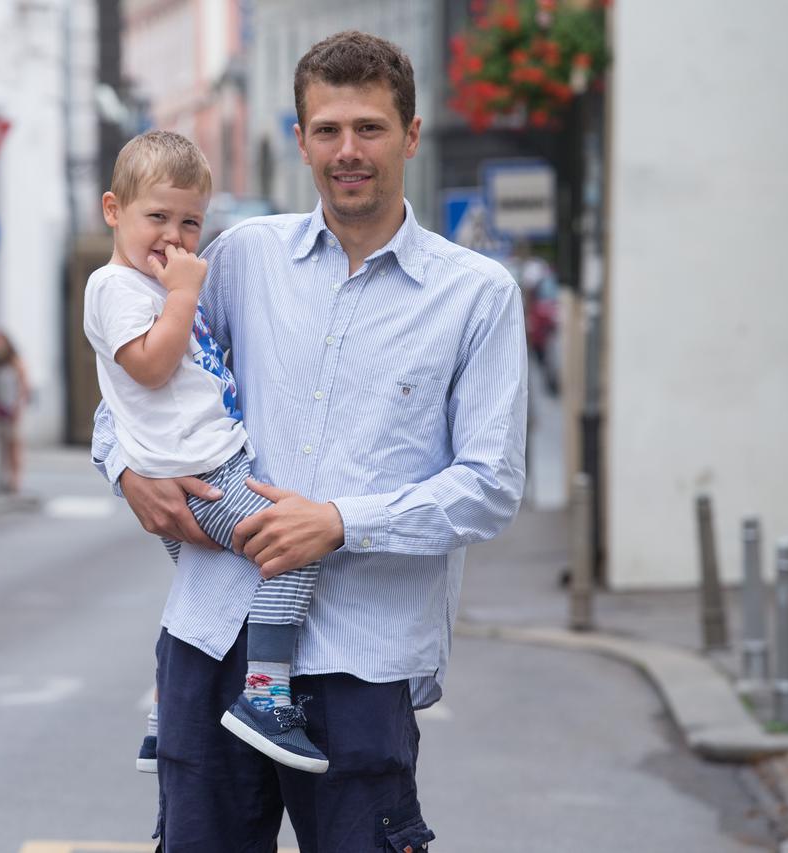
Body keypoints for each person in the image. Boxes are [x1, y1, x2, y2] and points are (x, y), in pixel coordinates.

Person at [91, 31, 527, 852]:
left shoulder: (476, 296)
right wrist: (124, 469)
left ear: (411, 134)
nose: (347, 150)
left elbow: (490, 484)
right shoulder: (240, 258)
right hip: (211, 638)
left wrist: (338, 521)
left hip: (359, 658)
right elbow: (138, 377)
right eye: (327, 129)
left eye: (369, 128)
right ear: (300, 140)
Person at [83, 130, 330, 776]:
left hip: (204, 459)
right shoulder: (117, 288)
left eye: (190, 222)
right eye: (157, 217)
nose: (174, 236)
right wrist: (184, 294)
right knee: (293, 548)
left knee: (202, 590)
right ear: (113, 210)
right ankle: (265, 696)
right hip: (205, 470)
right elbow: (150, 367)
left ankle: (164, 716)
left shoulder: (150, 285)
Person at [0, 328, 30, 493]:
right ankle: (2, 477)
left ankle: (15, 479)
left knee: (13, 444)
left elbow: (24, 386)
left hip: (12, 409)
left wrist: (19, 407)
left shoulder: (15, 361)